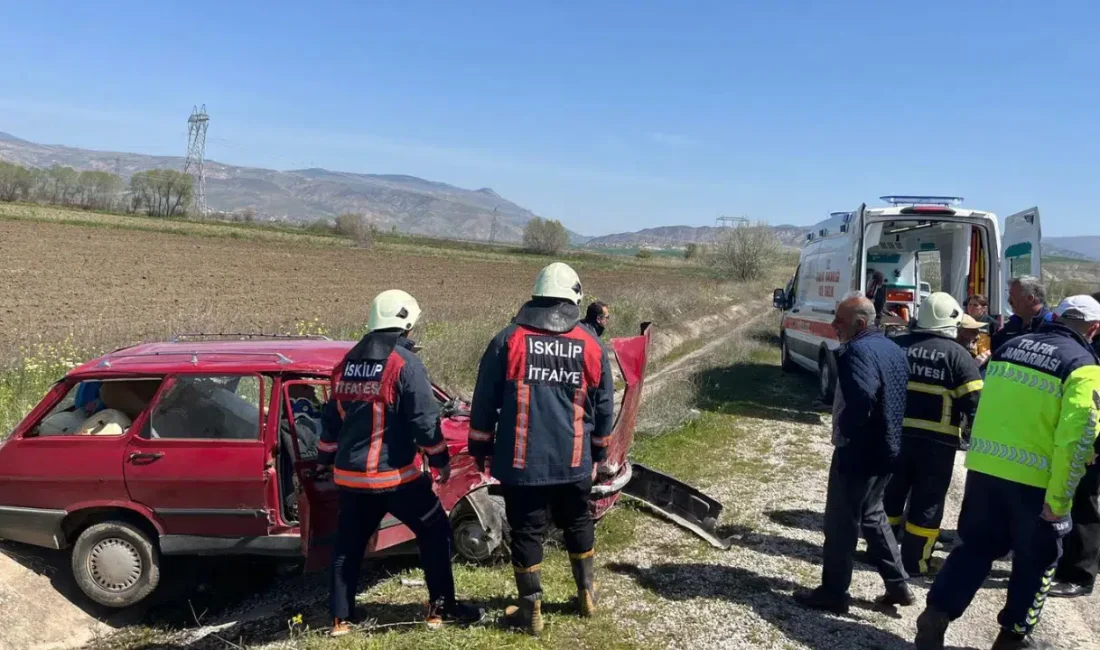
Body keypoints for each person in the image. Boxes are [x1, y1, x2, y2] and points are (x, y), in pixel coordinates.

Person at [915, 295, 1100, 650]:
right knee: (1039, 559)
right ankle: (1013, 637)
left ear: (1056, 316)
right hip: (1036, 482)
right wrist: (1059, 502)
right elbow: (1077, 440)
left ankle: (936, 614)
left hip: (986, 470)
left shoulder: (1010, 347)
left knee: (975, 548)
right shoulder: (1083, 366)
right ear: (1093, 330)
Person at [316, 289, 483, 636]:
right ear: (405, 324)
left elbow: (331, 421)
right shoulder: (403, 364)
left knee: (347, 546)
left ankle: (340, 620)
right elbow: (424, 421)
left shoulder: (344, 364)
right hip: (396, 478)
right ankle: (441, 610)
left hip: (350, 479)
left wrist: (323, 459)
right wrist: (440, 460)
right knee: (435, 533)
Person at [468, 262, 615, 636]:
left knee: (527, 531)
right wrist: (598, 456)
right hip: (575, 460)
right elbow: (603, 406)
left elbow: (484, 401)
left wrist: (480, 448)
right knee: (579, 521)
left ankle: (530, 609)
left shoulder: (509, 339)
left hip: (522, 463)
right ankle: (587, 591)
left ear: (535, 296)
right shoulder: (591, 343)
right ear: (574, 300)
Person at [794, 293, 913, 614]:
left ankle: (834, 593)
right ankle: (898, 584)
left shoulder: (856, 352)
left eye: (840, 321)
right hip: (887, 448)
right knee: (873, 515)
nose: (834, 325)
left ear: (860, 324)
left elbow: (862, 399)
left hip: (858, 452)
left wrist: (846, 429)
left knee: (840, 523)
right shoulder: (893, 348)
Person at [884, 293, 983, 577]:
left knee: (889, 495)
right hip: (937, 445)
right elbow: (975, 403)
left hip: (894, 437)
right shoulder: (958, 355)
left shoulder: (895, 346)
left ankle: (880, 553)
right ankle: (916, 562)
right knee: (927, 503)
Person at [1050, 290, 1100, 599]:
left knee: (1084, 503)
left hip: (1093, 438)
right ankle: (1068, 562)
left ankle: (1081, 575)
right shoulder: (1089, 347)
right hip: (1084, 433)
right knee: (1074, 498)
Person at [990, 276, 1053, 354]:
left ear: (1030, 298)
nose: (1009, 301)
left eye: (1012, 296)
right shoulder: (1011, 326)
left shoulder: (1051, 327)